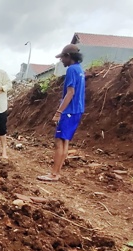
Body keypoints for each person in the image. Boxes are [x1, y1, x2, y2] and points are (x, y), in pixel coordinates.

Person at [37, 44, 85, 182]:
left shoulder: (71, 70)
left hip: (69, 111)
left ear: (68, 56)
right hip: (77, 111)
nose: (61, 61)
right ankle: (57, 172)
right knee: (65, 142)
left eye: (62, 58)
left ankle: (54, 174)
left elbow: (70, 93)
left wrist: (59, 112)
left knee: (59, 142)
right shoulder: (79, 69)